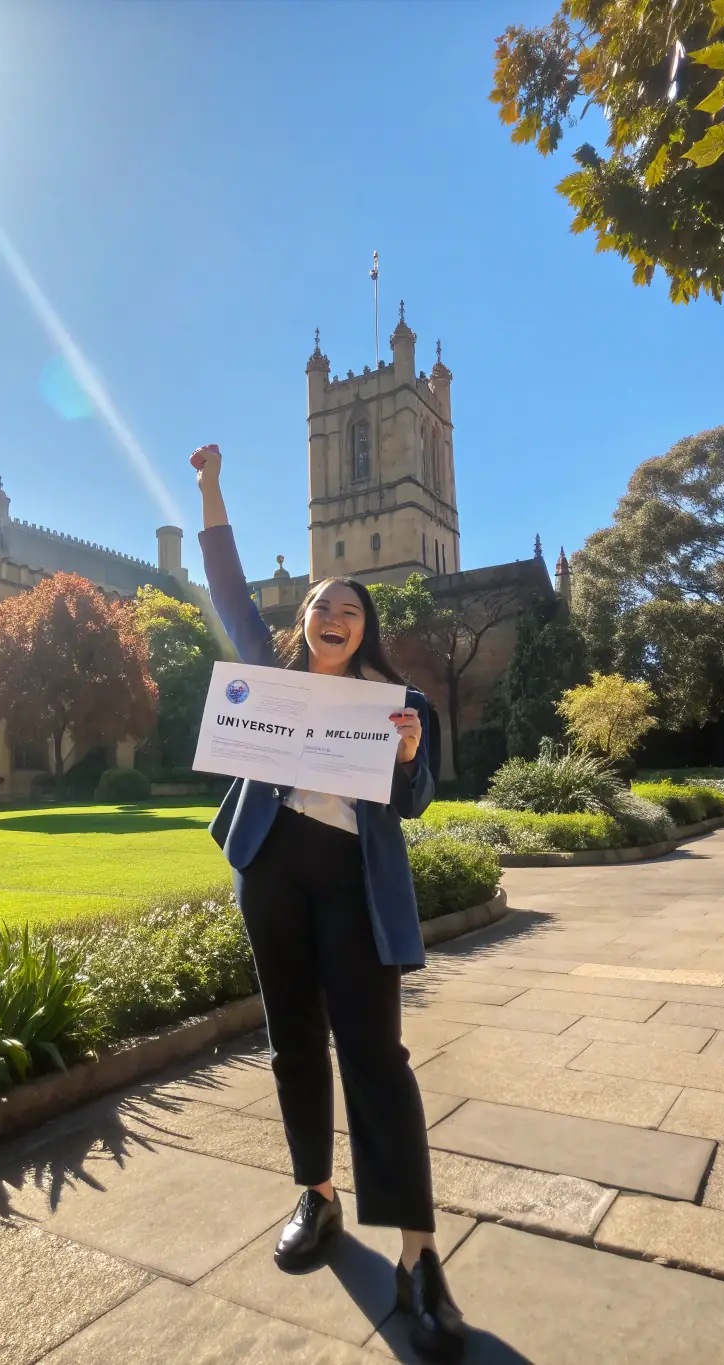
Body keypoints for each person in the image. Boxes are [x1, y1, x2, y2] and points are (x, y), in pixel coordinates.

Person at [193, 444, 465, 1362]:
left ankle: (419, 1257)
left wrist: (403, 751)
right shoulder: (268, 676)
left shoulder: (398, 699)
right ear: (303, 621)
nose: (334, 617)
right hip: (271, 866)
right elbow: (230, 589)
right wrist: (212, 489)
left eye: (350, 610)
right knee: (293, 1042)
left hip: (354, 879)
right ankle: (315, 1193)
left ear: (365, 628)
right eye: (321, 606)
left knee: (377, 1057)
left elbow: (419, 795)